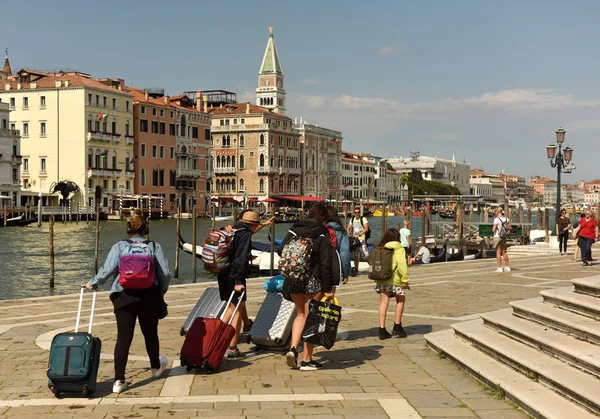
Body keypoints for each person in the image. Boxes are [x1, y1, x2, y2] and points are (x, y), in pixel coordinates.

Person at [85, 209, 171, 394]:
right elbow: (166, 273)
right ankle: (156, 368)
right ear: (145, 229)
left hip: (123, 296)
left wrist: (93, 283)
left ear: (128, 229)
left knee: (123, 338)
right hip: (149, 295)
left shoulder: (120, 246)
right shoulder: (154, 246)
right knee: (150, 334)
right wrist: (160, 291)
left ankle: (118, 381)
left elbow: (107, 270)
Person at [279, 202, 335, 371]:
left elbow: (281, 249)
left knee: (300, 314)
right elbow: (325, 264)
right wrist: (327, 288)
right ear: (324, 218)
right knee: (312, 318)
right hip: (313, 280)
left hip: (294, 278)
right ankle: (306, 360)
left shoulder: (294, 228)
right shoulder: (322, 233)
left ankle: (293, 349)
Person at [217, 210, 274, 359]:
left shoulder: (232, 229)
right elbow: (240, 258)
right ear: (252, 225)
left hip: (222, 272)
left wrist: (264, 224)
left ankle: (218, 336)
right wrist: (237, 281)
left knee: (235, 306)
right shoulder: (245, 234)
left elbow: (250, 232)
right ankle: (231, 348)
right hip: (235, 275)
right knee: (235, 311)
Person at [374, 228, 410, 339]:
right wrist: (405, 279)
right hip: (395, 280)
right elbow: (401, 264)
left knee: (383, 303)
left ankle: (382, 329)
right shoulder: (399, 248)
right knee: (400, 299)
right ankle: (397, 325)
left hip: (382, 278)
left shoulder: (381, 247)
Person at [326, 206, 351, 285]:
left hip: (318, 268)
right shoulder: (342, 231)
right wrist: (345, 273)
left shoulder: (319, 229)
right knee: (330, 295)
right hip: (333, 269)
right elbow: (344, 255)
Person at [347, 207, 370, 276]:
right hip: (355, 240)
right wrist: (349, 234)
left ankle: (372, 268)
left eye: (358, 212)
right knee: (355, 256)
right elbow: (348, 228)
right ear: (354, 213)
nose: (357, 214)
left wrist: (359, 234)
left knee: (365, 255)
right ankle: (356, 270)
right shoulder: (352, 219)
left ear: (360, 213)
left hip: (362, 239)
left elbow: (366, 229)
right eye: (355, 212)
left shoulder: (363, 219)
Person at [492, 207, 511, 272]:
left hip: (497, 236)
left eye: (495, 212)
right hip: (504, 236)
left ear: (497, 212)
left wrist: (494, 229)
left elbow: (493, 229)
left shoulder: (496, 219)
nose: (495, 213)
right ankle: (508, 267)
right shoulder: (506, 219)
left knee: (498, 252)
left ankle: (500, 267)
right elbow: (510, 227)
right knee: (504, 252)